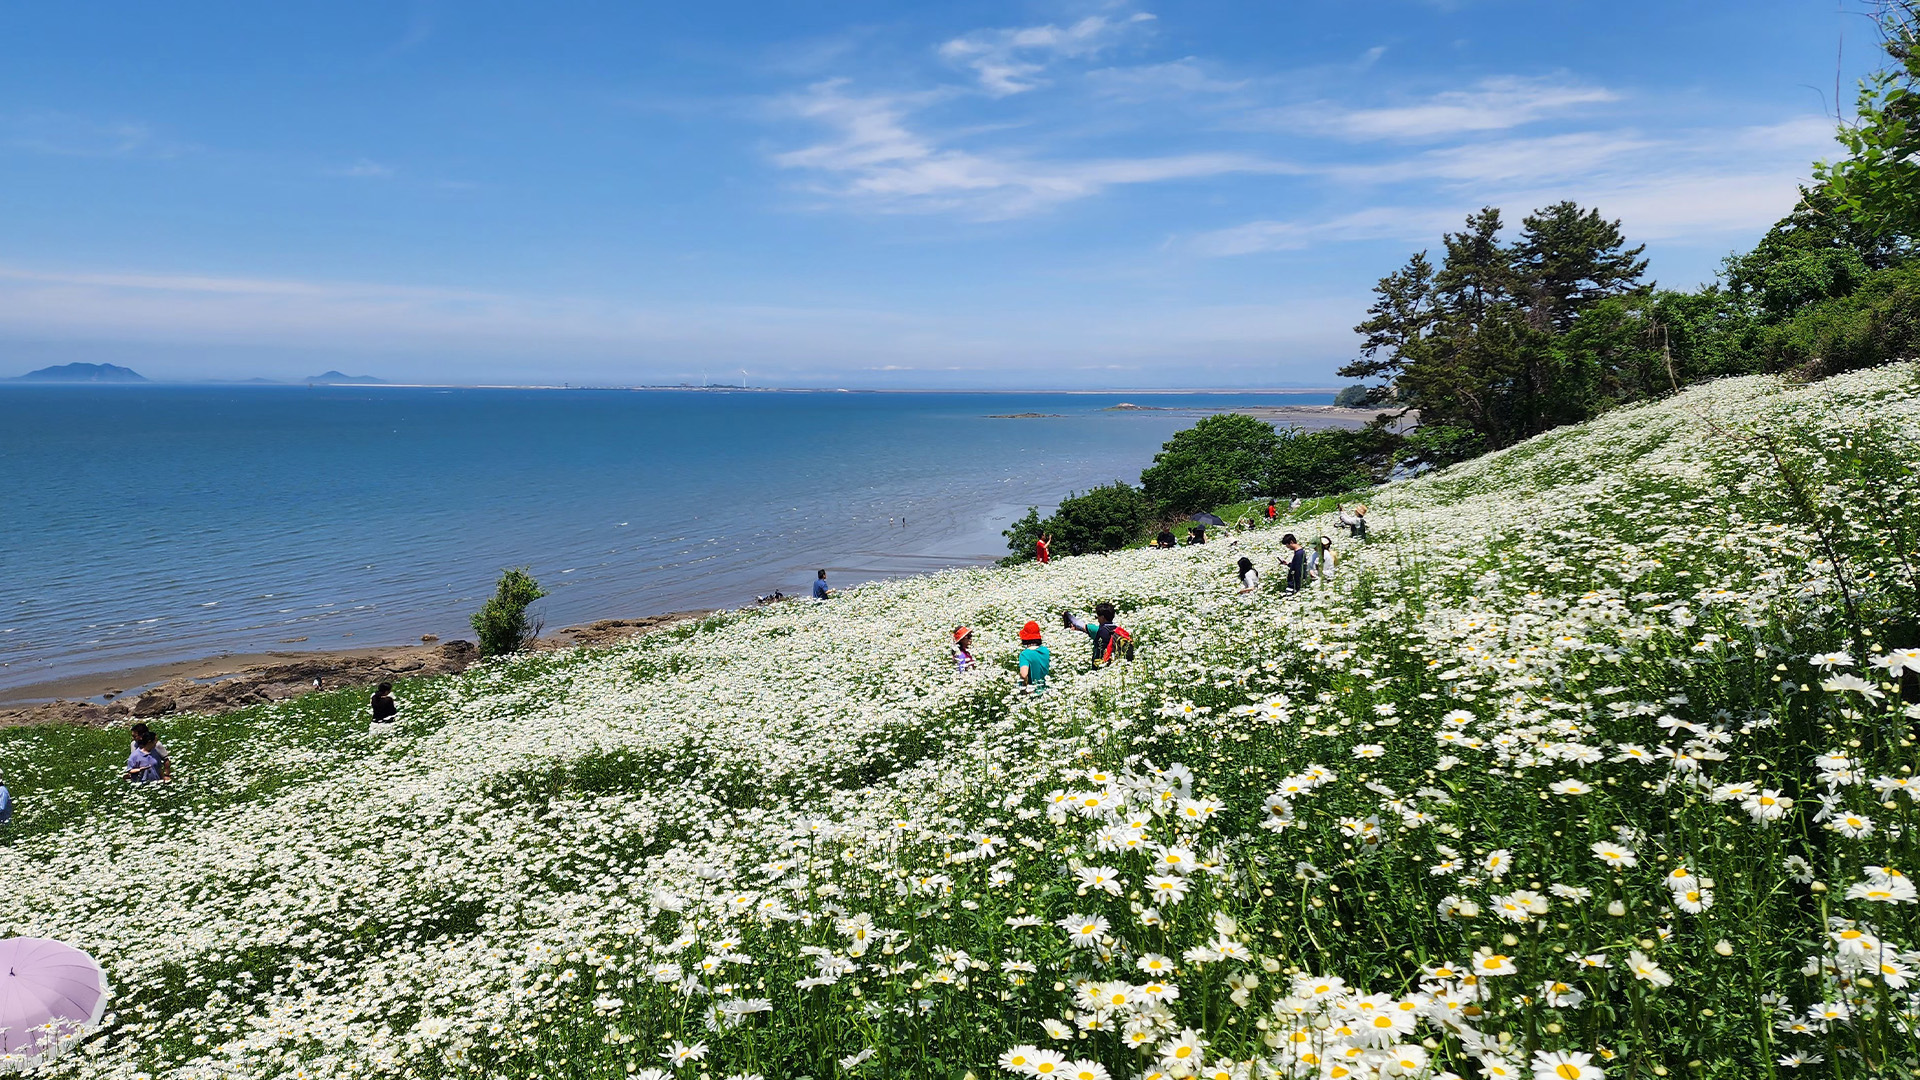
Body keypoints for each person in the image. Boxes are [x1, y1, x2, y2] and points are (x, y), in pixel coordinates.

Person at [1062, 603, 1134, 666]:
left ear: (1102, 617)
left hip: (1101, 664)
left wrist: (1067, 614)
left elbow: (1078, 623)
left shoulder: (1097, 630)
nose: (1097, 619)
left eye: (1097, 616)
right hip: (1114, 664)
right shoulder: (1118, 630)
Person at [1017, 621, 1051, 692]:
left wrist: (1024, 689)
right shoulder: (1045, 651)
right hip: (1045, 690)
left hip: (1032, 692)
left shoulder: (1024, 654)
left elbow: (1024, 674)